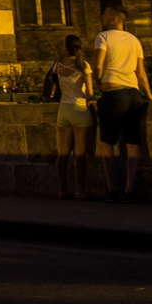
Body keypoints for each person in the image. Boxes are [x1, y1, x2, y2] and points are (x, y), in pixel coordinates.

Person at [91, 6, 152, 202]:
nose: (102, 16)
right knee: (133, 143)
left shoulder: (103, 37)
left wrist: (99, 83)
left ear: (114, 19)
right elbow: (141, 72)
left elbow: (98, 65)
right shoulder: (134, 40)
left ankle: (112, 189)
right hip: (133, 95)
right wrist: (149, 94)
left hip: (114, 94)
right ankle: (130, 189)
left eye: (105, 14)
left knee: (107, 143)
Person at [41, 34, 95, 199]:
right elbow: (90, 92)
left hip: (63, 110)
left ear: (66, 47)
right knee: (80, 154)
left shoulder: (58, 64)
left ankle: (62, 190)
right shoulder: (83, 65)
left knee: (63, 153)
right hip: (80, 109)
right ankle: (80, 191)